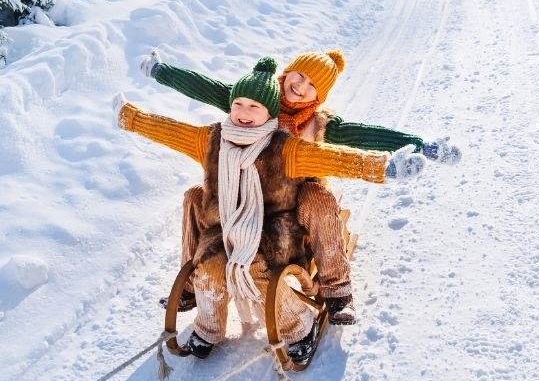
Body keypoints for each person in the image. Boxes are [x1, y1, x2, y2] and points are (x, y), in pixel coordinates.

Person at [117, 57, 424, 364]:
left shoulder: (299, 138)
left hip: (286, 211)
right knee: (197, 205)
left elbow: (343, 153)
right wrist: (148, 89)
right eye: (298, 76)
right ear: (285, 74)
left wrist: (397, 160)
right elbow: (182, 112)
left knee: (312, 202)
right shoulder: (230, 123)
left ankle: (332, 293)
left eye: (311, 85)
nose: (300, 87)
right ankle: (200, 301)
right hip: (235, 212)